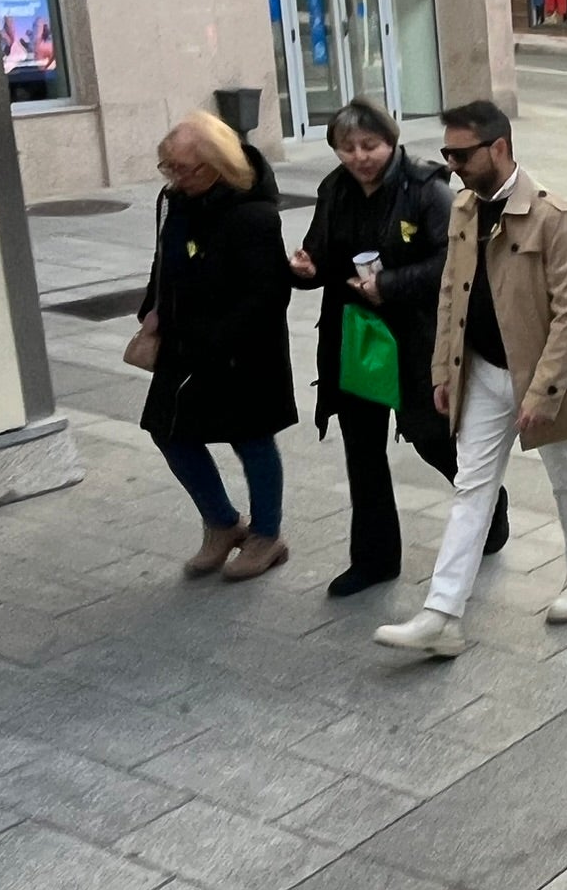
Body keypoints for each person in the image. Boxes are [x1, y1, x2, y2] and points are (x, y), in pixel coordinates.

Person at [375, 101, 567, 657]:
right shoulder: (463, 209)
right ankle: (442, 615)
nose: (451, 163)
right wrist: (443, 370)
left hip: (540, 377)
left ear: (498, 148)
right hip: (480, 371)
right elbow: (452, 293)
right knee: (471, 486)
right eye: (446, 152)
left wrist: (545, 392)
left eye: (461, 152)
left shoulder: (552, 217)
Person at [289, 99, 509, 597]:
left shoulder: (426, 190)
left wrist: (389, 284)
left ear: (390, 142)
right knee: (362, 450)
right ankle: (374, 559)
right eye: (348, 148)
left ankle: (489, 504)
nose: (359, 157)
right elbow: (320, 254)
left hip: (415, 336)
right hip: (357, 336)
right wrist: (305, 270)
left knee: (431, 438)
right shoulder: (335, 190)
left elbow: (453, 262)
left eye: (370, 145)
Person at [141, 112, 296, 582]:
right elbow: (163, 258)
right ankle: (223, 523)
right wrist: (153, 307)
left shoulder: (253, 214)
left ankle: (266, 536)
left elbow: (268, 294)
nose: (176, 179)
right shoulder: (175, 201)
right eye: (169, 168)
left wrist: (217, 341)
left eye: (185, 169)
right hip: (182, 343)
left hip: (240, 350)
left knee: (251, 439)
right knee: (168, 431)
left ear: (217, 165)